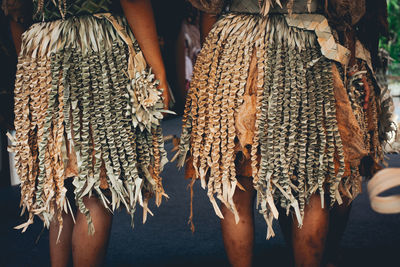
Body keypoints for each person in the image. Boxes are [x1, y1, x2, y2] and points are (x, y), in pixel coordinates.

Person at [175, 0, 392, 266]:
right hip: (308, 45)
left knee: (237, 186)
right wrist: (352, 66)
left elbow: (211, 9)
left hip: (239, 47)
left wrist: (214, 69)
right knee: (312, 185)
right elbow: (342, 12)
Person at [3, 0, 170, 266]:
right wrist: (157, 68)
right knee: (96, 190)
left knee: (61, 190)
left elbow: (15, 13)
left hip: (42, 50)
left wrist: (30, 69)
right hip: (93, 51)